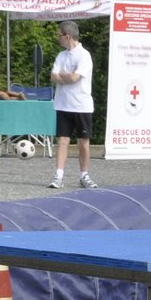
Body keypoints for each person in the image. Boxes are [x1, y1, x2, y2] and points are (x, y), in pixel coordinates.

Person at [48, 20, 96, 190]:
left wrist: (64, 76)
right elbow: (54, 76)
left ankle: (84, 175)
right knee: (63, 139)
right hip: (63, 104)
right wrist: (65, 76)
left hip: (81, 105)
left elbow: (75, 78)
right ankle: (58, 176)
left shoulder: (84, 55)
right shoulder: (61, 56)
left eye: (59, 35)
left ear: (67, 36)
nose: (57, 38)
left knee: (83, 141)